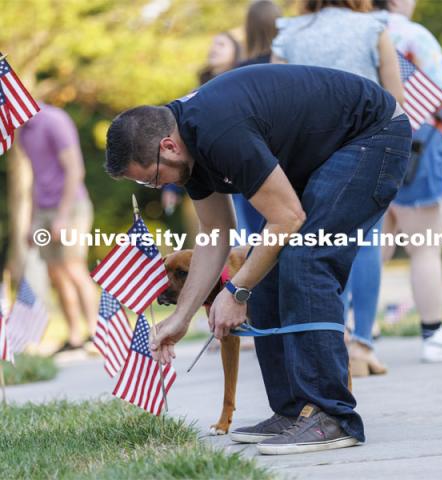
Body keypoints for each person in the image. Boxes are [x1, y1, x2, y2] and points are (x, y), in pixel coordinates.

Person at [105, 64, 411, 454]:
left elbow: (288, 218)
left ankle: (332, 416)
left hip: (373, 133)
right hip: (327, 149)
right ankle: (293, 411)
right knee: (265, 265)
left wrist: (235, 290)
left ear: (167, 147)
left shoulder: (219, 132)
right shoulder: (188, 150)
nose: (156, 186)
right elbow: (216, 234)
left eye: (151, 177)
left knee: (306, 257)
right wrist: (181, 318)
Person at [271, 0, 403, 376]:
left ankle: (334, 341)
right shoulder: (373, 28)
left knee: (318, 247)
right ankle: (362, 344)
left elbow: (275, 100)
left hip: (308, 152)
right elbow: (397, 100)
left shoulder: (289, 33)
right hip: (366, 145)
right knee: (365, 245)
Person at [373, 0, 442, 362]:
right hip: (420, 148)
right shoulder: (413, 36)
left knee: (374, 247)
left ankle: (357, 334)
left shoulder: (358, 29)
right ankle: (433, 335)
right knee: (425, 246)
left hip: (367, 149)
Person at [20, 103, 97, 353]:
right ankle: (75, 336)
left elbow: (76, 169)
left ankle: (97, 333)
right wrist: (32, 221)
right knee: (56, 273)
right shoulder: (22, 131)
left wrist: (62, 217)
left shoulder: (54, 120)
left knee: (74, 269)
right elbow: (35, 176)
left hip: (71, 206)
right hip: (43, 210)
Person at [161, 31, 242, 216]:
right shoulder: (195, 93)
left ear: (235, 52)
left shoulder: (241, 85)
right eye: (213, 44)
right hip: (211, 176)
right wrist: (171, 188)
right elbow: (181, 140)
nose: (213, 48)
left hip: (241, 170)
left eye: (221, 44)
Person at [232, 0, 282, 235]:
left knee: (253, 236)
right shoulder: (289, 65)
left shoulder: (238, 72)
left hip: (250, 159)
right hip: (283, 156)